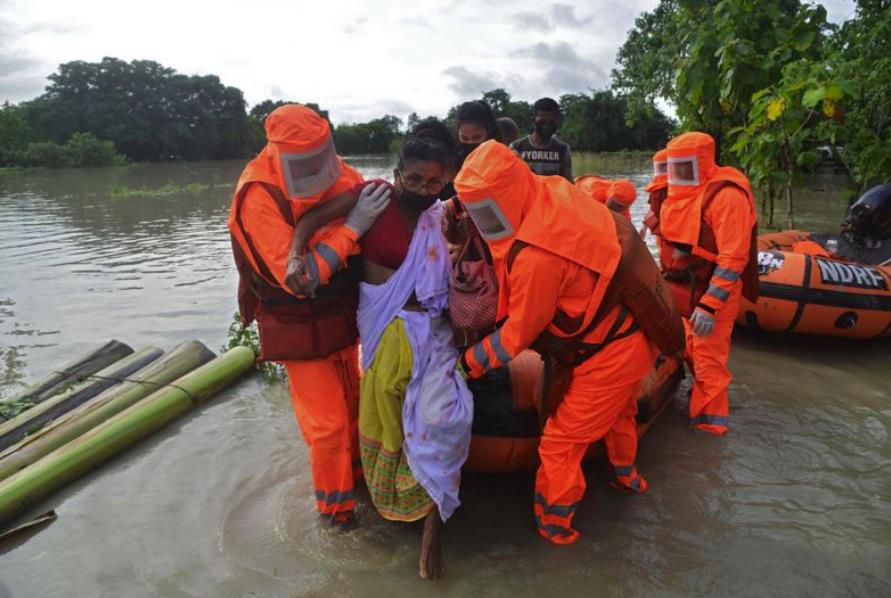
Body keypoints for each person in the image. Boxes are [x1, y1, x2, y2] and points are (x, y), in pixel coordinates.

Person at [285, 134, 473, 581]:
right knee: (390, 418)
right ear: (397, 173)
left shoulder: (442, 216)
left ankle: (432, 532)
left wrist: (459, 241)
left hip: (433, 331)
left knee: (445, 419)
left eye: (434, 182)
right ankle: (392, 507)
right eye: (414, 178)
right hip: (387, 327)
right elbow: (310, 221)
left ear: (445, 181)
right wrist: (295, 257)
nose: (423, 188)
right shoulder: (373, 198)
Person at [454, 141, 655, 545]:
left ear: (505, 196)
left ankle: (555, 528)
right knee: (620, 413)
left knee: (561, 442)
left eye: (485, 211)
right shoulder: (548, 191)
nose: (481, 221)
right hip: (624, 330)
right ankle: (626, 480)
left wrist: (466, 364)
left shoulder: (537, 254)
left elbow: (516, 338)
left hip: (609, 350)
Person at [228, 104, 391, 527]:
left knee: (357, 409)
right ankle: (336, 516)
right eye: (307, 164)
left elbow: (373, 212)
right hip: (297, 322)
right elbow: (299, 280)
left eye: (325, 158)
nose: (321, 172)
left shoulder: (340, 173)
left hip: (341, 316)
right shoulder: (259, 196)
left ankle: (362, 488)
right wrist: (352, 228)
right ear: (278, 156)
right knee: (329, 427)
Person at [656, 132, 758, 435]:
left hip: (712, 291)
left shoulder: (727, 196)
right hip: (681, 286)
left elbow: (733, 259)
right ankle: (692, 397)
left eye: (684, 166)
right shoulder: (678, 196)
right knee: (685, 347)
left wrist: (710, 305)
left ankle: (709, 434)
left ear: (703, 162)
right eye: (674, 166)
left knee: (708, 362)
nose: (677, 174)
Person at [511, 97, 573, 181]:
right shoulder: (516, 148)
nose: (547, 126)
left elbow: (568, 184)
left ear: (557, 122)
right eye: (542, 122)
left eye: (551, 123)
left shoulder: (563, 150)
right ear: (533, 121)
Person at [641, 149, 668, 238]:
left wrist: (644, 227)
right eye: (661, 166)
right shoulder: (656, 186)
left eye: (665, 166)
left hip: (673, 235)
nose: (663, 169)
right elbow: (653, 209)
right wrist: (644, 227)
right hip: (663, 235)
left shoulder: (680, 186)